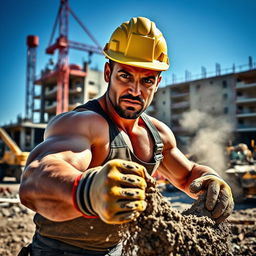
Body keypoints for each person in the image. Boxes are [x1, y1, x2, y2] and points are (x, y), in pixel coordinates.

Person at [19, 17, 234, 256]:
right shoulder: (84, 123)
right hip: (59, 251)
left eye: (147, 80)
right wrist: (88, 191)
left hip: (117, 251)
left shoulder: (157, 134)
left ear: (158, 82)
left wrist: (211, 180)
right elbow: (35, 179)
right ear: (108, 72)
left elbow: (187, 177)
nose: (135, 90)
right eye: (126, 76)